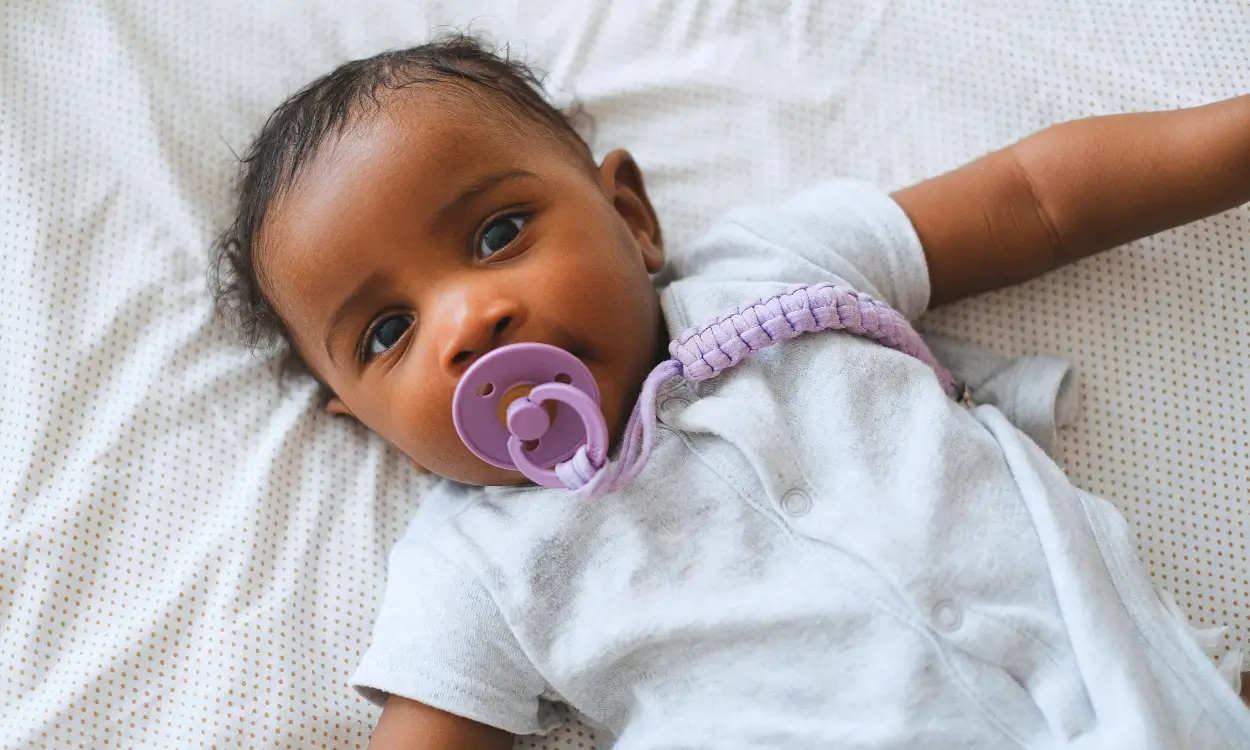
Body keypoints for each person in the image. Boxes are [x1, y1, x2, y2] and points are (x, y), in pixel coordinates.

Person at [212, 33, 1250, 750]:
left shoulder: (774, 270)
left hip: (1156, 701)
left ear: (630, 216)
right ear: (363, 420)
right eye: (388, 333)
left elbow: (1033, 197)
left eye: (497, 235)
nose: (468, 322)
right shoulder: (473, 566)